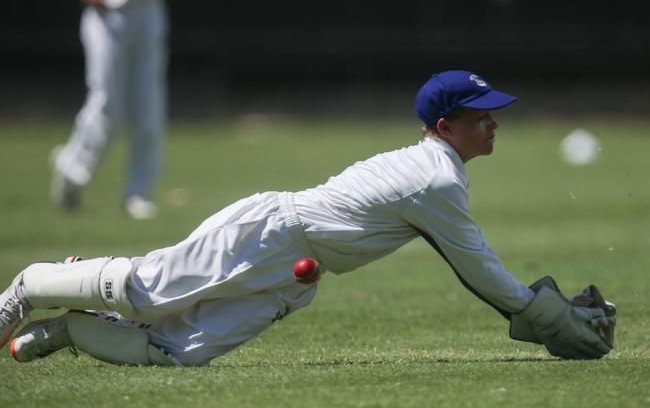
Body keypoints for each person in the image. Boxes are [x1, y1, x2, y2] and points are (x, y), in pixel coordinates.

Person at [0, 71, 614, 366]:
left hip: (297, 272)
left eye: (493, 113)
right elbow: (478, 270)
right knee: (144, 292)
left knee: (172, 352)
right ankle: (27, 287)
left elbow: (476, 270)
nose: (494, 123)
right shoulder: (435, 178)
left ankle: (71, 332)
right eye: (482, 116)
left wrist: (533, 312)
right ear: (446, 126)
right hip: (269, 234)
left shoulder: (440, 169)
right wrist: (548, 318)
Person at [51, 0, 182, 220]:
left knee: (149, 105)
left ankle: (140, 192)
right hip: (105, 13)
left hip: (147, 10)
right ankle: (71, 168)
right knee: (107, 106)